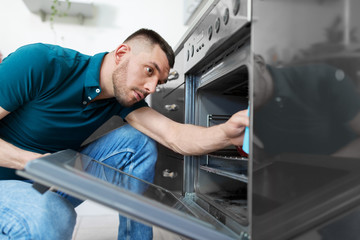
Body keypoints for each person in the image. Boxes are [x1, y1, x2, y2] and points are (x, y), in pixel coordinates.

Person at [0, 28, 248, 240]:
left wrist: (227, 133)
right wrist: (31, 161)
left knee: (138, 142)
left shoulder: (122, 101)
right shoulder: (40, 62)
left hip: (50, 178)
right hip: (9, 181)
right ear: (121, 54)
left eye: (158, 82)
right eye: (150, 71)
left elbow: (175, 135)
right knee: (51, 215)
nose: (151, 88)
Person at [252, 54, 360, 159]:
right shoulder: (245, 104)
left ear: (259, 64)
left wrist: (326, 167)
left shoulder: (323, 79)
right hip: (286, 172)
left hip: (339, 168)